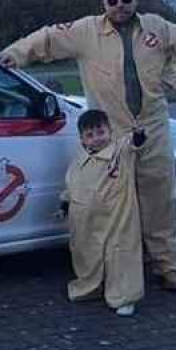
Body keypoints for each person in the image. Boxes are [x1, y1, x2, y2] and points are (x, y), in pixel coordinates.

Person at [0, 0, 176, 292]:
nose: (120, 5)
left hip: (152, 126)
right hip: (112, 132)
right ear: (103, 2)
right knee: (113, 206)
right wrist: (16, 53)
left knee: (160, 201)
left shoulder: (156, 27)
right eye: (113, 0)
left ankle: (168, 266)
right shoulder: (86, 31)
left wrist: (174, 78)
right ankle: (113, 269)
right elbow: (48, 38)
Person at [61, 108, 147, 315]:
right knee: (86, 253)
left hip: (118, 215)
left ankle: (124, 297)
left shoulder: (120, 151)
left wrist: (139, 135)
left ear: (110, 131)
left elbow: (135, 144)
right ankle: (90, 287)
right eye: (90, 135)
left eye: (101, 132)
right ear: (82, 139)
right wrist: (64, 202)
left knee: (120, 253)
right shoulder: (80, 159)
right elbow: (72, 182)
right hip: (86, 218)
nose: (97, 139)